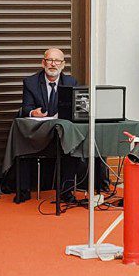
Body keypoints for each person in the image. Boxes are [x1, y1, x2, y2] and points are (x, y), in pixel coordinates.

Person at [17, 48, 86, 203]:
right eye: (50, 60)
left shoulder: (71, 83)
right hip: (38, 133)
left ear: (63, 65)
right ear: (43, 63)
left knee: (73, 142)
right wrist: (33, 112)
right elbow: (26, 108)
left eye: (57, 61)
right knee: (21, 140)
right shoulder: (30, 82)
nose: (53, 64)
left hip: (62, 134)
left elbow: (77, 109)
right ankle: (23, 190)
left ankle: (66, 191)